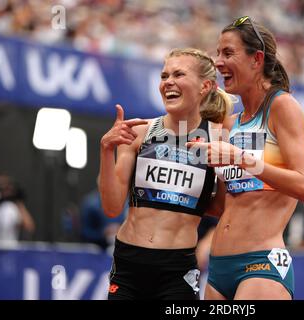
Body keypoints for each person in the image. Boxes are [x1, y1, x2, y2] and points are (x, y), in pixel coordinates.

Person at [186, 16, 304, 300]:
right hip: (219, 268)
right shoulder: (231, 123)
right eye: (218, 53)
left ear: (257, 59)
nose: (218, 62)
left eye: (228, 53)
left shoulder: (283, 107)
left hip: (262, 264)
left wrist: (241, 158)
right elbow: (222, 206)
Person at [99, 48, 233, 300]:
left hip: (177, 268)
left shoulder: (219, 138)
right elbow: (112, 207)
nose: (168, 82)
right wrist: (106, 150)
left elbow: (219, 208)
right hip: (129, 263)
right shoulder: (139, 131)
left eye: (179, 74)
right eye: (164, 76)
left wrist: (225, 174)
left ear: (205, 86)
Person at [80, 176, 127, 251]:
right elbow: (84, 232)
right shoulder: (90, 204)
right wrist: (103, 233)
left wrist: (121, 229)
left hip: (121, 247)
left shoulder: (126, 203)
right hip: (97, 250)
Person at [0, 174, 35, 243]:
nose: (5, 192)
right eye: (1, 188)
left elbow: (29, 227)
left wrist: (19, 202)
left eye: (7, 188)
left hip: (9, 248)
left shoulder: (11, 208)